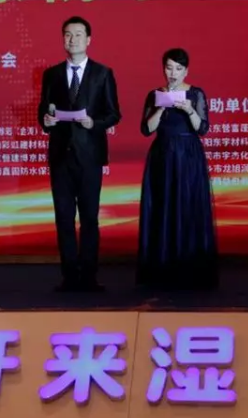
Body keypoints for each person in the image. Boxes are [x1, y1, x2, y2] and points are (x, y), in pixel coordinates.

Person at [38, 16, 121, 292]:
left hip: (89, 157)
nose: (72, 39)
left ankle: (89, 276)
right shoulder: (51, 74)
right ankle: (69, 276)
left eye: (77, 34)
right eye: (67, 34)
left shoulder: (102, 73)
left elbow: (113, 113)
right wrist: (46, 121)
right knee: (63, 218)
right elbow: (43, 111)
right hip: (60, 157)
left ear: (88, 39)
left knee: (89, 218)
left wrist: (93, 123)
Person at [136, 48, 219, 290]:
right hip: (162, 157)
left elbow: (202, 129)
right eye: (169, 68)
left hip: (188, 156)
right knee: (163, 207)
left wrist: (189, 109)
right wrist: (162, 107)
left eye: (178, 69)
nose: (173, 73)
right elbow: (146, 130)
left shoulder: (195, 94)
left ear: (186, 71)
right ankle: (162, 267)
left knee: (188, 206)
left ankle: (190, 267)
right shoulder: (155, 94)